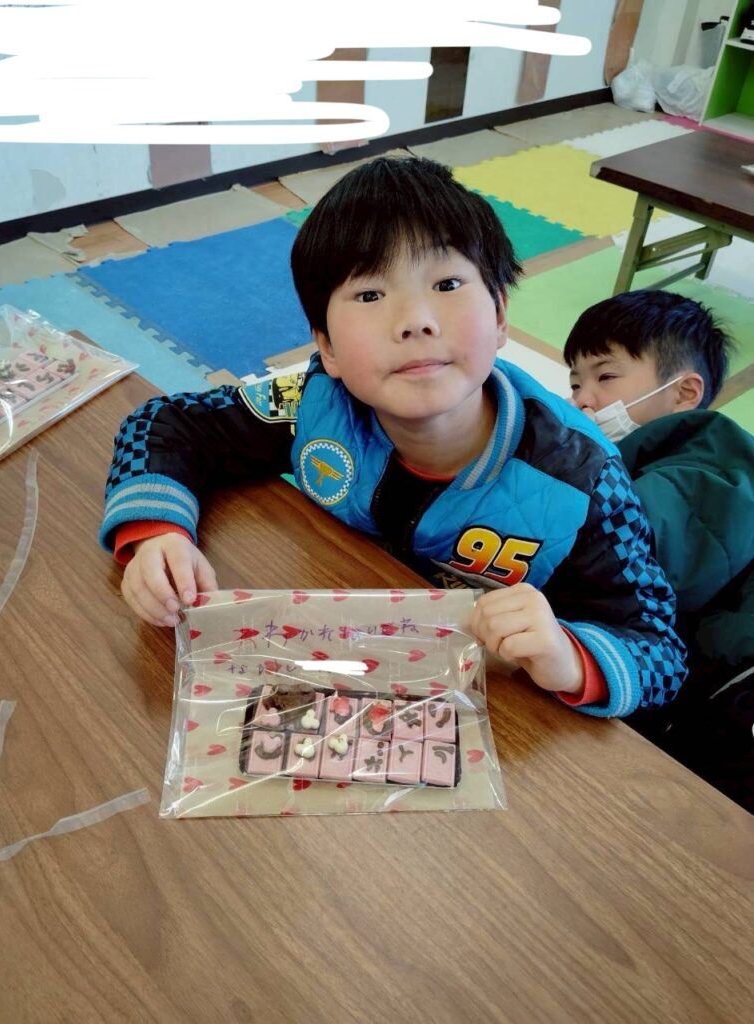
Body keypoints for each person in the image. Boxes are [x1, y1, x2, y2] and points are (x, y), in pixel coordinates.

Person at [100, 156, 686, 719]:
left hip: (486, 710)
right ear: (327, 346)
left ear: (501, 316)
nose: (415, 321)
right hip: (341, 662)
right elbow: (168, 422)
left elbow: (661, 653)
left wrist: (569, 656)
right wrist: (157, 535)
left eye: (448, 282)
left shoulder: (583, 480)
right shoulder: (315, 403)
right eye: (370, 295)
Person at [564, 290, 753, 810]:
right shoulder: (639, 461)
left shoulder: (708, 462)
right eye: (575, 383)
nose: (582, 399)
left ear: (685, 392)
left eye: (605, 377)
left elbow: (629, 552)